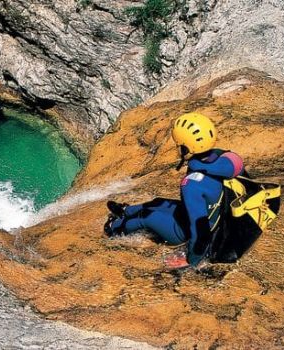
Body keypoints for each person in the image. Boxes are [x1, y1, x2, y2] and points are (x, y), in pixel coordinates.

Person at [104, 112, 246, 269]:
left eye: (179, 146)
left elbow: (201, 230)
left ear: (186, 149)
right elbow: (237, 164)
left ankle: (114, 228)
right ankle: (126, 210)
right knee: (158, 202)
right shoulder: (221, 159)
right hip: (203, 214)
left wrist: (191, 260)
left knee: (146, 217)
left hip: (181, 232)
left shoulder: (192, 184)